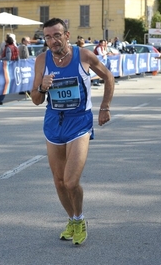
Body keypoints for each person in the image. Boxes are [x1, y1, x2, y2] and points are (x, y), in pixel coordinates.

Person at [31, 18, 114, 245]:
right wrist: (42, 87)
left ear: (67, 35)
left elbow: (108, 76)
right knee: (58, 181)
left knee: (71, 181)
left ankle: (79, 217)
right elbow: (36, 100)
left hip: (79, 122)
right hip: (54, 123)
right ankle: (73, 219)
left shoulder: (83, 55)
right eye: (48, 37)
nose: (53, 40)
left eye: (57, 35)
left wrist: (104, 107)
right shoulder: (41, 61)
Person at [0, 36, 19, 105]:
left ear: (7, 42)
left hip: (6, 67)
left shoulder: (8, 48)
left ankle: (0, 100)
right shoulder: (15, 47)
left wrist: (0, 59)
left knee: (3, 84)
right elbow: (17, 58)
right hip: (13, 67)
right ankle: (0, 99)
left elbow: (8, 58)